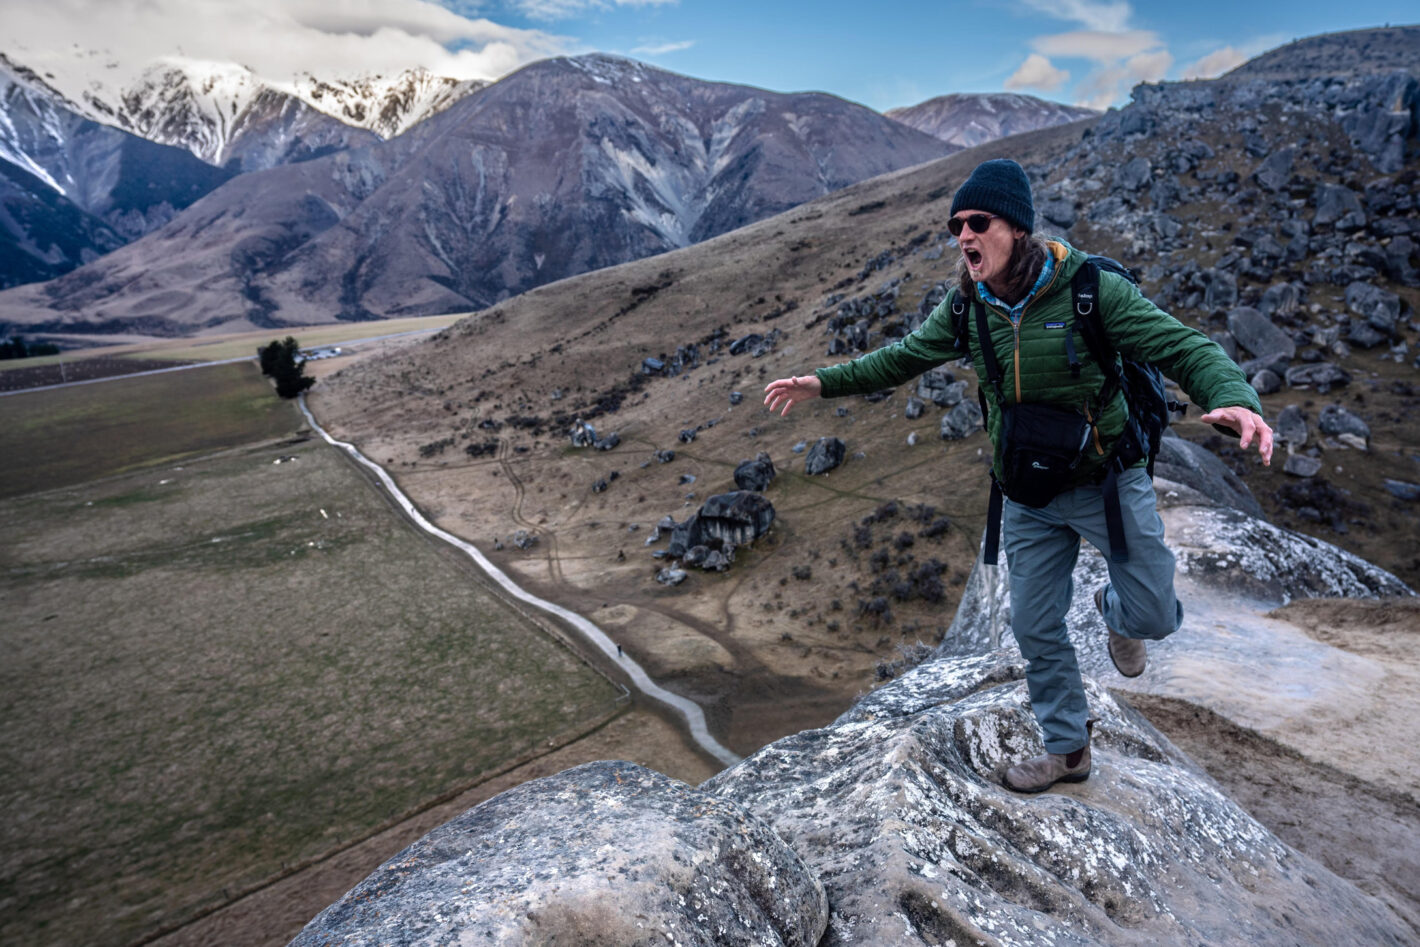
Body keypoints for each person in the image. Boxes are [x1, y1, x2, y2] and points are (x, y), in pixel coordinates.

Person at [764, 158, 1272, 794]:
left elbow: (1182, 346)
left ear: (1017, 228)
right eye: (956, 226)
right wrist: (822, 382)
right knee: (1033, 626)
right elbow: (903, 359)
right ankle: (1067, 751)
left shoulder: (1090, 290)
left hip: (1106, 485)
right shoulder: (966, 308)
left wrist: (1236, 399)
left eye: (978, 222)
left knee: (1153, 616)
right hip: (1027, 494)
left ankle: (1115, 614)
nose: (963, 236)